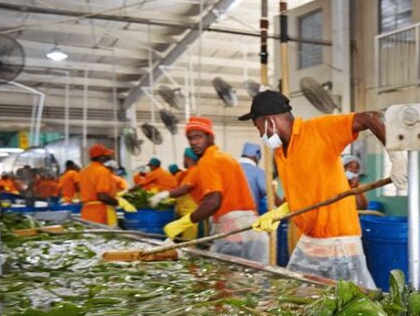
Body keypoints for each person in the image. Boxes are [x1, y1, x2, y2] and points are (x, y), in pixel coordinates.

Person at [242, 90, 405, 289]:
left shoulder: (317, 130)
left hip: (338, 243)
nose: (260, 134)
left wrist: (396, 157)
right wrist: (280, 212)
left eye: (258, 127)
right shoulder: (280, 153)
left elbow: (371, 117)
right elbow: (301, 194)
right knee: (292, 296)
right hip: (310, 241)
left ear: (269, 121)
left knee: (357, 306)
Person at [159, 116, 264, 261]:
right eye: (190, 138)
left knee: (226, 278)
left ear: (210, 137)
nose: (194, 142)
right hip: (252, 226)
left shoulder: (208, 160)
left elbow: (213, 202)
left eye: (198, 137)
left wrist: (183, 223)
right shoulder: (226, 157)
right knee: (252, 279)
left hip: (231, 228)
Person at [79, 144, 129, 225]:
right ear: (101, 157)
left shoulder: (84, 172)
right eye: (107, 155)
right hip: (100, 213)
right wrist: (118, 203)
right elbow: (102, 196)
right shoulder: (102, 171)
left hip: (86, 213)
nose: (109, 157)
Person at [239, 142, 269, 214]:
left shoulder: (231, 167)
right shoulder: (258, 172)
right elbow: (267, 190)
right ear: (256, 157)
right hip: (247, 214)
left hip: (227, 215)